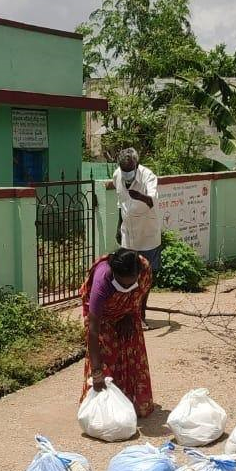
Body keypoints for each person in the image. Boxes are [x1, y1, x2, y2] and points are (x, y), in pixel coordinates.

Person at [79, 248, 155, 419]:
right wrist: (97, 372)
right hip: (102, 317)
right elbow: (93, 331)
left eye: (130, 283)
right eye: (122, 284)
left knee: (132, 351)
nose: (126, 287)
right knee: (106, 356)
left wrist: (130, 313)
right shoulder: (102, 280)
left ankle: (128, 403)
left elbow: (140, 295)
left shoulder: (144, 270)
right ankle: (104, 411)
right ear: (114, 274)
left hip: (129, 313)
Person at [113, 147, 161, 330]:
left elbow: (152, 200)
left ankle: (141, 315)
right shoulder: (117, 175)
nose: (126, 174)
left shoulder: (148, 176)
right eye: (123, 170)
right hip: (128, 234)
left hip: (147, 234)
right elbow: (120, 203)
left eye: (129, 170)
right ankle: (126, 314)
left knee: (144, 278)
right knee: (126, 275)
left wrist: (139, 196)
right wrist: (119, 227)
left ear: (137, 165)